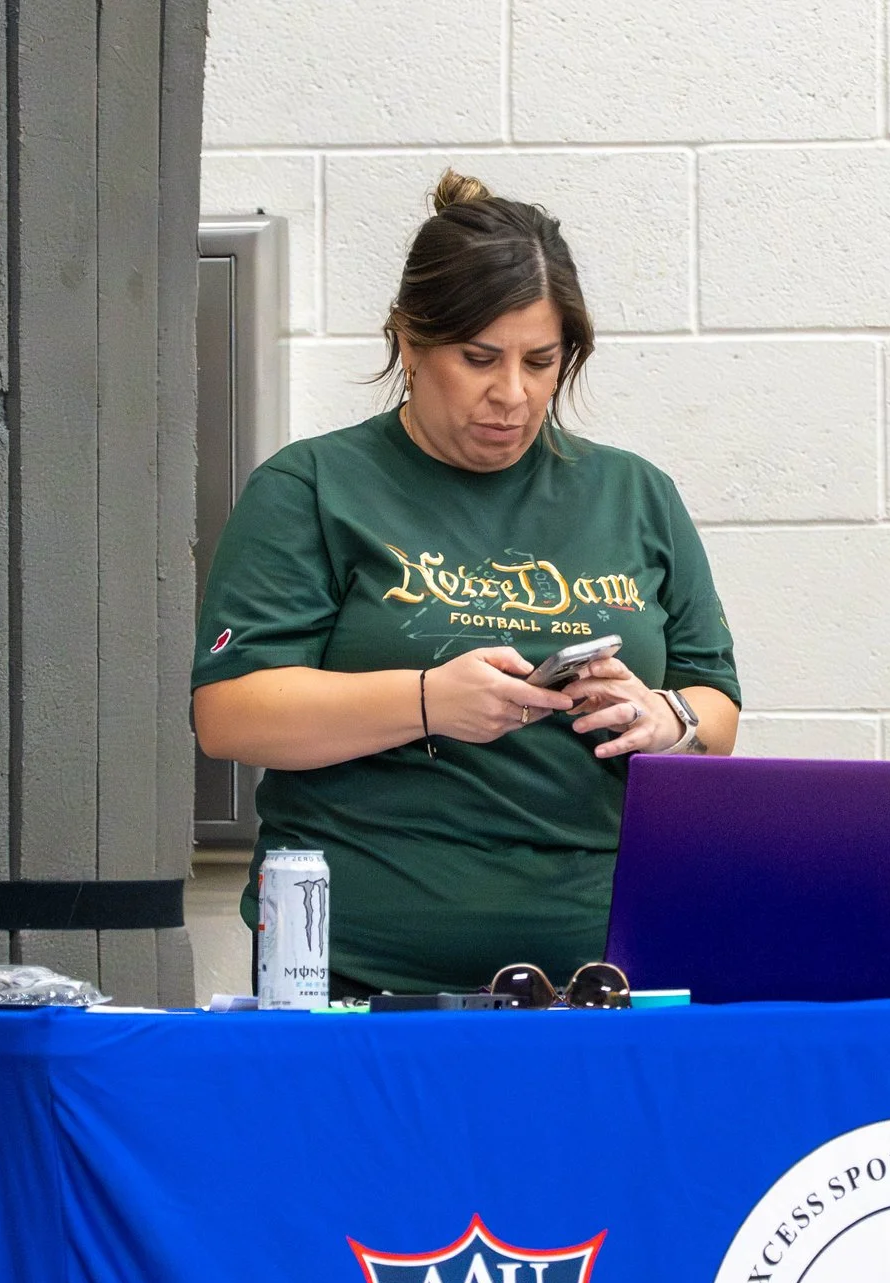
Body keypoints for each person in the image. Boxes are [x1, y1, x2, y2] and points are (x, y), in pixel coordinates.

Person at [192, 170, 741, 996]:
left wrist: (664, 718)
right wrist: (425, 701)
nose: (512, 395)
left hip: (602, 973)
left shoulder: (635, 494)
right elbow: (231, 714)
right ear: (410, 342)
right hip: (361, 979)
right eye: (479, 358)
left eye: (541, 361)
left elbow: (718, 707)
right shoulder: (314, 487)